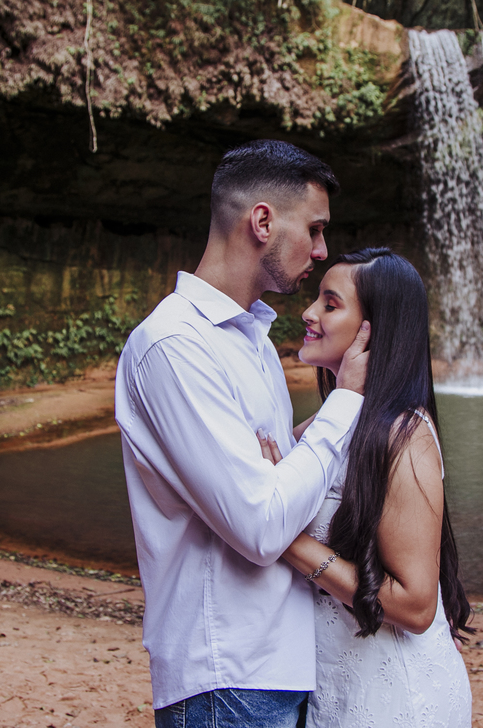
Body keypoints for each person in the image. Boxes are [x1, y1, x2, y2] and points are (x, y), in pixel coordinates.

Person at [115, 139, 371, 728]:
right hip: (225, 675)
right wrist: (346, 401)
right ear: (262, 222)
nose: (322, 249)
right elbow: (261, 525)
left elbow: (275, 480)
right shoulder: (174, 345)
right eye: (315, 229)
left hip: (277, 664)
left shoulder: (249, 337)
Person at [258, 247, 473, 727]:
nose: (308, 313)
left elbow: (416, 605)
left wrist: (284, 538)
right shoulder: (329, 424)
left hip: (396, 698)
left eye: (330, 304)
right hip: (334, 687)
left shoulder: (404, 435)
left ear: (373, 330)